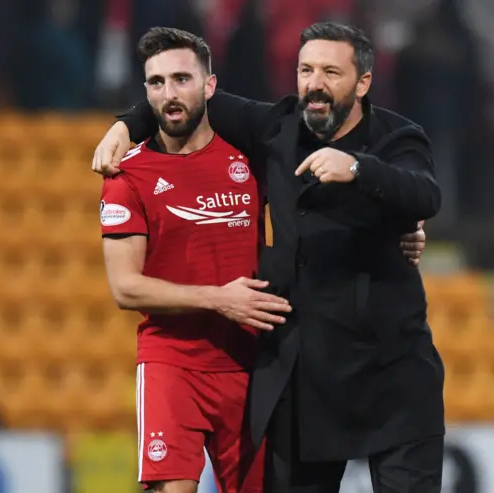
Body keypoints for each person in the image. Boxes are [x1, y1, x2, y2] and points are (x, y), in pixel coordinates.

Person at [94, 23, 440, 493]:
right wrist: (124, 125)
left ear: (363, 83)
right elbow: (186, 93)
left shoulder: (398, 137)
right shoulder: (278, 127)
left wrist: (359, 169)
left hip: (393, 378)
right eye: (305, 70)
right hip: (308, 380)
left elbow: (424, 193)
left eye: (331, 72)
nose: (314, 83)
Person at [100, 28, 295, 493]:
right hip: (172, 362)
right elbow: (125, 288)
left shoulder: (251, 160)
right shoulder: (127, 173)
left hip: (249, 365)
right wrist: (218, 300)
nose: (169, 94)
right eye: (156, 82)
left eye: (182, 79)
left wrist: (406, 226)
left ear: (210, 86)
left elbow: (323, 200)